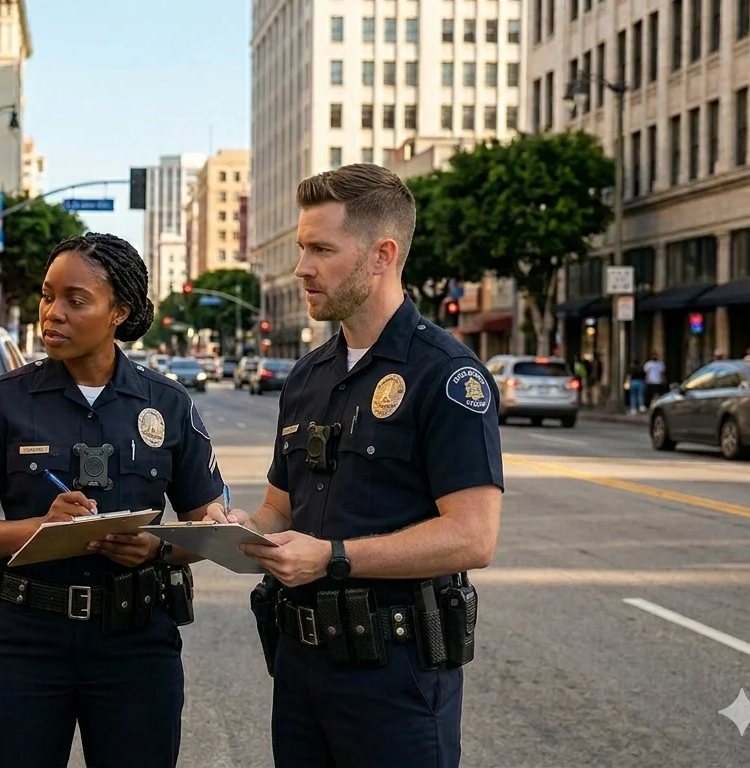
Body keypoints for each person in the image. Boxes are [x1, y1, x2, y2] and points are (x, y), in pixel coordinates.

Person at [206, 165, 504, 768]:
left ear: (381, 255)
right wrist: (236, 530)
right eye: (301, 248)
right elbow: (279, 509)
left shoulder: (445, 374)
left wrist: (333, 556)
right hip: (299, 666)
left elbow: (474, 537)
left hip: (394, 675)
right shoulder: (308, 377)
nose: (302, 268)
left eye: (321, 249)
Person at [0, 233, 227, 768]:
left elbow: (206, 526)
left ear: (119, 311)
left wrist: (156, 549)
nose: (53, 313)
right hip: (24, 641)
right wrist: (42, 528)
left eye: (76, 301)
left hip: (136, 641)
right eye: (48, 296)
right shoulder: (4, 400)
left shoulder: (166, 403)